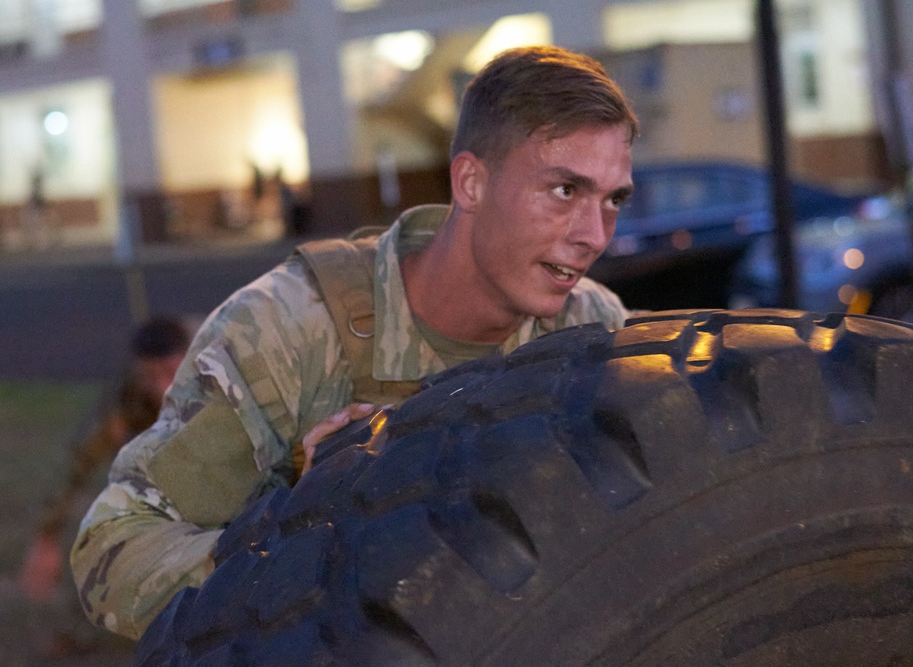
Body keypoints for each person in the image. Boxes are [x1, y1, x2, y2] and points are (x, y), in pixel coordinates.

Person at [70, 45, 639, 641]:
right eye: (564, 191)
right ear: (471, 181)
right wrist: (306, 535)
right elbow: (112, 553)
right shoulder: (289, 329)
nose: (594, 236)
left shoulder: (591, 328)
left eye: (613, 200)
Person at [20, 316, 190, 656]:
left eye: (170, 373)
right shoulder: (124, 397)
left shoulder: (220, 369)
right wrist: (46, 536)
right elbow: (79, 462)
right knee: (102, 533)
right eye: (150, 376)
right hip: (155, 475)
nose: (161, 387)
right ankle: (80, 630)